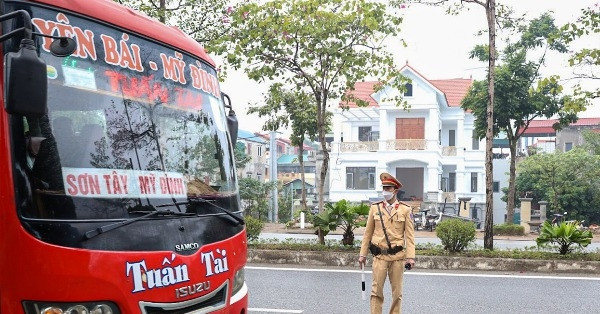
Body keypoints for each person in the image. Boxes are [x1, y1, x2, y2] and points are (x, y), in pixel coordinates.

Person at [358, 172, 415, 314]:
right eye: (384, 188)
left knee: (397, 294)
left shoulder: (405, 210)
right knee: (376, 292)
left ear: (395, 190)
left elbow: (410, 236)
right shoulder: (375, 208)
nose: (385, 191)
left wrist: (411, 257)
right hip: (379, 257)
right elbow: (367, 233)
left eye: (388, 188)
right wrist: (362, 254)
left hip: (397, 258)